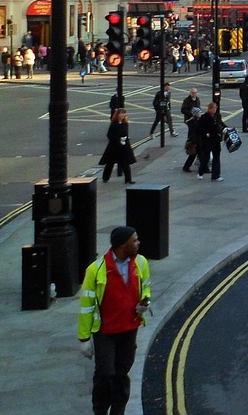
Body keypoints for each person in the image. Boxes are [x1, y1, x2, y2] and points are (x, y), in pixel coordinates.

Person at [78, 226, 151, 415]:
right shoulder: (96, 270)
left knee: (121, 373)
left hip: (129, 327)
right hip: (105, 331)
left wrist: (145, 302)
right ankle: (100, 410)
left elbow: (146, 288)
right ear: (122, 245)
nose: (138, 243)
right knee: (104, 374)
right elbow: (86, 306)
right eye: (134, 241)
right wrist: (84, 339)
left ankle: (118, 411)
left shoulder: (141, 263)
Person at [99, 108, 136, 184]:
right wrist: (118, 139)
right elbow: (109, 135)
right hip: (114, 147)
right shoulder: (114, 124)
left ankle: (128, 179)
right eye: (122, 113)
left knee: (125, 163)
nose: (124, 115)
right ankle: (105, 178)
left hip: (123, 146)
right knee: (110, 163)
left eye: (124, 113)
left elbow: (126, 133)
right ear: (117, 115)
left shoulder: (125, 123)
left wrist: (124, 139)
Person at [196, 102, 226, 181]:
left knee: (216, 157)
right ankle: (200, 172)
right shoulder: (204, 117)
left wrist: (225, 128)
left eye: (216, 108)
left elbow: (221, 124)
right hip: (207, 140)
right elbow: (199, 129)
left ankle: (216, 176)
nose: (215, 109)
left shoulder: (217, 116)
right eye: (213, 108)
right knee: (206, 157)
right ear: (209, 109)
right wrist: (205, 134)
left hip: (216, 139)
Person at [181, 107, 202, 174]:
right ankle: (204, 168)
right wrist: (195, 142)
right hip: (195, 141)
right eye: (199, 113)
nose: (200, 114)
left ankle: (186, 166)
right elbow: (192, 133)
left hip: (197, 140)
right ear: (196, 114)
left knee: (195, 155)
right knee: (197, 155)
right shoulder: (193, 122)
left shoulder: (196, 120)